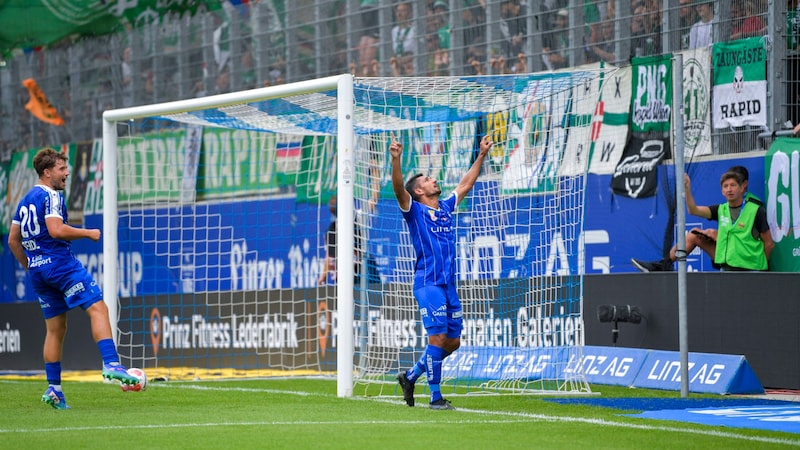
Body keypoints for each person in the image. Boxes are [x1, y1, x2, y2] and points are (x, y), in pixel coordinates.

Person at [8, 148, 140, 410]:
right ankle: (112, 364)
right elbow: (56, 230)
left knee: (55, 329)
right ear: (47, 173)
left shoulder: (25, 201)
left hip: (39, 272)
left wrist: (31, 265)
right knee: (98, 308)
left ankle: (54, 390)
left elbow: (14, 240)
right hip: (60, 265)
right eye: (61, 168)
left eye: (67, 167)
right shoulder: (51, 195)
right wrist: (88, 233)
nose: (67, 172)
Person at [392, 132, 493, 410]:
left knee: (452, 342)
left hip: (449, 284)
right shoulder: (413, 210)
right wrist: (396, 160)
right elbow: (399, 189)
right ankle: (435, 398)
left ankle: (411, 376)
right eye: (426, 180)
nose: (432, 180)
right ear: (419, 192)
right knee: (436, 338)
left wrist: (482, 155)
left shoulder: (446, 208)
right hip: (428, 283)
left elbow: (464, 185)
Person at [631, 165, 772, 272]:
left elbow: (767, 242)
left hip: (749, 264)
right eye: (726, 186)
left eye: (733, 185)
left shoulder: (755, 207)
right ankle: (662, 266)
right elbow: (693, 210)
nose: (729, 189)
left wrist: (761, 267)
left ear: (743, 186)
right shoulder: (722, 208)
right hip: (727, 258)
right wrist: (686, 188)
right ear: (722, 190)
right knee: (694, 235)